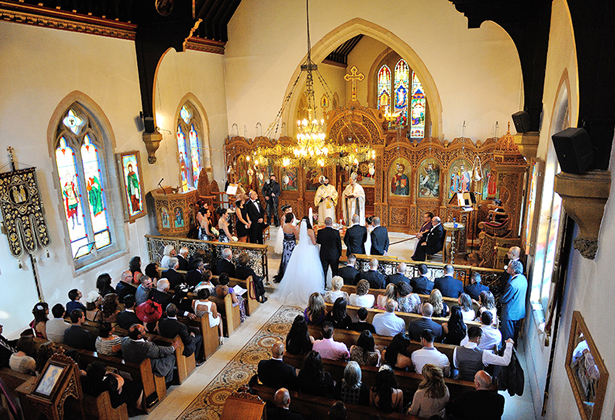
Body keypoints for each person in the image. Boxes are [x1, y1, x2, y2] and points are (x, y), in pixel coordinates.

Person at [270, 218, 325, 306]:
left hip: (299, 249)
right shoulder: (310, 231)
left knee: (297, 268)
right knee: (311, 269)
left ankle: (297, 287)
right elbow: (314, 242)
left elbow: (298, 238)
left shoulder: (298, 229)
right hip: (310, 250)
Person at [500, 260, 527, 342]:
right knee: (514, 335)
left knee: (507, 336)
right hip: (518, 311)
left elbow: (504, 298)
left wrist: (499, 299)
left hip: (510, 313)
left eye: (509, 267)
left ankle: (506, 352)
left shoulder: (512, 284)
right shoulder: (523, 279)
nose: (507, 268)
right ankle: (512, 349)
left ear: (513, 270)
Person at [317, 216, 343, 285]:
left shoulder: (320, 232)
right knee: (335, 271)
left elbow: (318, 241)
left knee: (324, 271)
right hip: (334, 255)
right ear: (331, 223)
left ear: (324, 223)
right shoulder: (336, 232)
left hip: (324, 254)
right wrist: (340, 254)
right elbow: (339, 244)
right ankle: (335, 286)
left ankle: (323, 285)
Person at [274, 213, 299, 283]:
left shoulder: (284, 226)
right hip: (291, 245)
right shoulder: (293, 228)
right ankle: (291, 274)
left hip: (285, 244)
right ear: (292, 219)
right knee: (291, 259)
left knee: (285, 259)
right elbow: (297, 237)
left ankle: (285, 273)